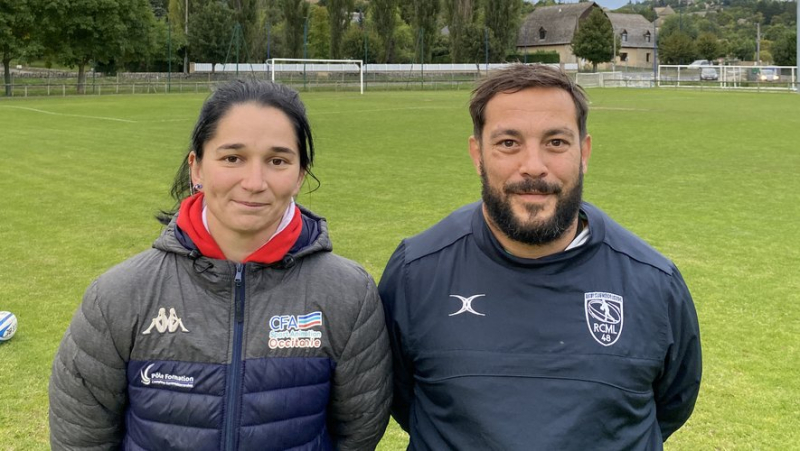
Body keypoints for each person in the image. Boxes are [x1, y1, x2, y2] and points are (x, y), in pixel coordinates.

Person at [49, 80, 391, 451]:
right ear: (196, 168)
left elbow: (359, 432)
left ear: (300, 176)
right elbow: (81, 437)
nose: (254, 182)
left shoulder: (348, 294)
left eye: (277, 161)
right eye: (233, 158)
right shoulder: (119, 296)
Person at [378, 64, 701, 450]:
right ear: (477, 154)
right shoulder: (417, 272)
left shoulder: (653, 281)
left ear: (584, 152)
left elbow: (672, 402)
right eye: (508, 143)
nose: (533, 166)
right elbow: (401, 398)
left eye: (556, 142)